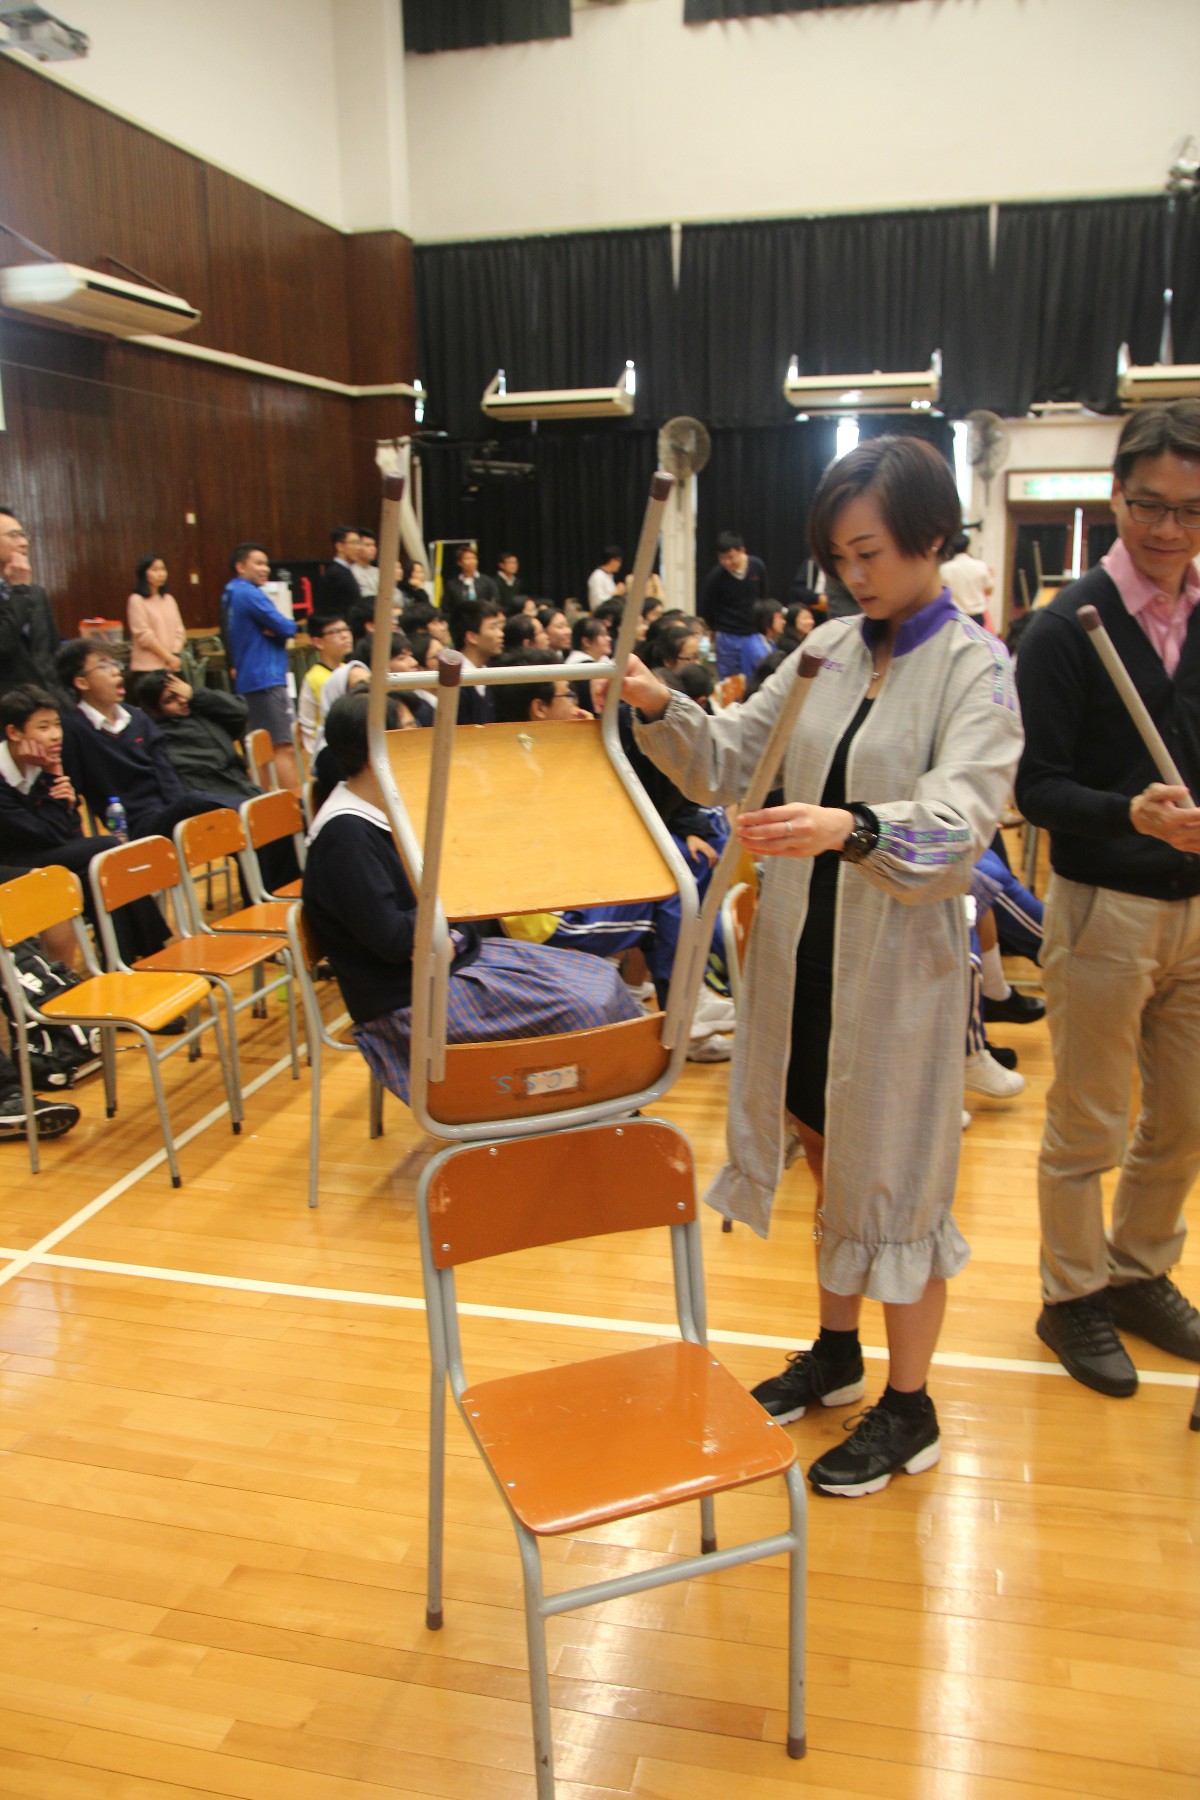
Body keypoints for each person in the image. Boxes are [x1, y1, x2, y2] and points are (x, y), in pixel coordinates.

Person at [620, 436, 1022, 1496]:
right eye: (840, 558)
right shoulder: (829, 648)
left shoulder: (976, 669)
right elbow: (733, 760)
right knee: (824, 1153)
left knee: (897, 1183)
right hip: (803, 957)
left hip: (897, 974)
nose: (854, 576)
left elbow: (962, 821)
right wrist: (658, 703)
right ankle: (837, 1352)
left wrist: (851, 826)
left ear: (932, 539)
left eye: (871, 553)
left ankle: (911, 1404)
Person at [1014, 400, 1200, 1398]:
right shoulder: (1065, 628)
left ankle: (1137, 1271)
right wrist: (1131, 813)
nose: (1169, 528)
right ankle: (1072, 1293)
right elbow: (1035, 789)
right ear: (1116, 497)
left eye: (1192, 509)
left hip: (1197, 912)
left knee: (1184, 1118)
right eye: (1150, 505)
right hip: (1102, 908)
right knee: (1090, 1120)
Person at [301, 690, 640, 1104]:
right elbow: (396, 939)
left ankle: (612, 1106)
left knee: (601, 979)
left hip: (453, 961)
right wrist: (449, 905)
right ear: (376, 750)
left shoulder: (389, 808)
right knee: (581, 1008)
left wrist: (450, 904)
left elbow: (440, 899)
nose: (423, 739)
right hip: (409, 999)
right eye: (409, 731)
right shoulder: (345, 837)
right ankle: (584, 1112)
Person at [491, 651, 737, 1058]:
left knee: (677, 869)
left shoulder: (537, 749)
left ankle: (677, 1007)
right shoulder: (527, 763)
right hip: (546, 914)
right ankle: (681, 1016)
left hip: (572, 884)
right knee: (672, 889)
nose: (578, 705)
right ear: (539, 708)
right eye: (569, 695)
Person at [0, 683, 171, 963]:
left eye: (57, 724)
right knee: (106, 849)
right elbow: (48, 834)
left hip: (40, 852)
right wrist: (54, 775)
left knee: (101, 872)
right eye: (43, 727)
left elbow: (68, 831)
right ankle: (153, 952)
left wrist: (62, 800)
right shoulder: (12, 773)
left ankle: (122, 961)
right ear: (14, 732)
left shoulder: (36, 762)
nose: (56, 735)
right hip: (10, 863)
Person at [56, 639, 235, 843]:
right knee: (202, 803)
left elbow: (165, 772)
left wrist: (180, 814)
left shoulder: (137, 718)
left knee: (230, 825)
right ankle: (253, 812)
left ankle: (254, 822)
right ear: (82, 682)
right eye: (104, 666)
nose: (116, 672)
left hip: (170, 813)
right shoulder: (73, 730)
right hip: (133, 827)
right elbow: (70, 791)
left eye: (115, 664)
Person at [220, 542, 298, 790]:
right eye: (259, 563)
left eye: (267, 564)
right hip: (266, 679)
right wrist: (282, 629)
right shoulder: (249, 593)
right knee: (282, 746)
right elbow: (287, 627)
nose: (265, 569)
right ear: (240, 566)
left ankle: (265, 803)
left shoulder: (230, 594)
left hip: (250, 679)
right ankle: (294, 805)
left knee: (262, 749)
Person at [0, 506, 59, 699]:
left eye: (23, 535)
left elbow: (51, 651)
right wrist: (19, 590)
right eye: (13, 536)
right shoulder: (23, 590)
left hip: (47, 700)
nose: (24, 543)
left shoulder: (36, 593)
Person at [698, 531, 769, 679]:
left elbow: (763, 597)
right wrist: (718, 628)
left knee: (757, 675)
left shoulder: (757, 566)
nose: (727, 562)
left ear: (742, 551)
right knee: (730, 680)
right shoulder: (716, 576)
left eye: (730, 557)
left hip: (753, 633)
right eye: (722, 558)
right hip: (728, 637)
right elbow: (706, 608)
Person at [298, 615, 354, 759]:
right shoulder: (316, 677)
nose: (345, 635)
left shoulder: (345, 669)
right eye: (335, 632)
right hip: (324, 749)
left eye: (346, 629)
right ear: (318, 642)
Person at [127, 555, 187, 673]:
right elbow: (144, 636)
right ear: (144, 573)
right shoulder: (136, 600)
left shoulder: (169, 599)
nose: (161, 574)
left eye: (163, 569)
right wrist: (168, 657)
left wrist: (174, 653)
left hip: (171, 665)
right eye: (155, 570)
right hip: (147, 668)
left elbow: (180, 631)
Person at [449, 597, 503, 724]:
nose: (501, 634)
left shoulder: (492, 673)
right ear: (472, 637)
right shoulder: (456, 683)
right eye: (493, 628)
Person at [940, 531, 994, 629]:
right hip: (977, 616)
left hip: (955, 617)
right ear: (968, 547)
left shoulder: (945, 569)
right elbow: (989, 590)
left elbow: (941, 593)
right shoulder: (980, 566)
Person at [316, 527, 365, 619]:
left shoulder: (345, 570)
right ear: (340, 546)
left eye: (359, 543)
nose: (359, 548)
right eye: (354, 543)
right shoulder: (334, 573)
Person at [442, 545, 498, 620]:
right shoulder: (452, 585)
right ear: (459, 562)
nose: (472, 561)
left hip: (484, 619)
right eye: (467, 559)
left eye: (474, 558)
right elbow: (446, 608)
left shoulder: (487, 581)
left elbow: (495, 600)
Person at [737, 599, 786, 682]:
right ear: (767, 619)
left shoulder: (770, 643)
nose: (783, 622)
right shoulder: (755, 647)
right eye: (779, 617)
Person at [587, 546, 625, 613]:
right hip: (601, 614)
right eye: (619, 561)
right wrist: (616, 593)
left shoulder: (608, 576)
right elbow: (597, 601)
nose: (620, 565)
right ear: (612, 561)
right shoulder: (598, 576)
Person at [353, 531, 380, 600]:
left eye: (374, 545)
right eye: (367, 545)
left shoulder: (377, 571)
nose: (373, 549)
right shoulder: (352, 571)